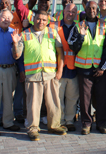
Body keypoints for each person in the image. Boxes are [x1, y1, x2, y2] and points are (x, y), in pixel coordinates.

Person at [12, 10, 66, 141]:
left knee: (54, 102)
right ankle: (33, 129)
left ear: (47, 21)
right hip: (33, 75)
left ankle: (54, 125)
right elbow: (16, 55)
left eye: (43, 20)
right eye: (38, 19)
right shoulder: (24, 34)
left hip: (50, 74)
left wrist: (60, 70)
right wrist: (15, 43)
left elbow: (60, 52)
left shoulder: (52, 33)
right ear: (33, 19)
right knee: (33, 104)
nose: (40, 22)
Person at [68, 1, 106, 135]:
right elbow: (72, 46)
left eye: (94, 8)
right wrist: (81, 36)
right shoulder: (77, 26)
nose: (91, 10)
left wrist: (102, 68)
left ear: (97, 10)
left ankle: (101, 123)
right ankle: (86, 124)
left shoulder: (105, 25)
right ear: (85, 10)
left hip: (100, 70)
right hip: (84, 69)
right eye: (89, 8)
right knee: (85, 99)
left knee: (102, 98)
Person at [0, 0, 26, 124]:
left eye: (7, 3)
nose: (4, 5)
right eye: (2, 4)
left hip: (14, 64)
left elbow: (19, 54)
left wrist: (21, 69)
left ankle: (14, 116)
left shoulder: (16, 23)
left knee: (14, 93)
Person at [50, 3, 79, 132]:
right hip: (58, 69)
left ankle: (69, 120)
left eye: (73, 11)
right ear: (63, 11)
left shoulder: (79, 27)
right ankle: (60, 121)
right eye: (68, 11)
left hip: (74, 69)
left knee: (72, 98)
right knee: (58, 98)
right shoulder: (53, 26)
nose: (70, 13)